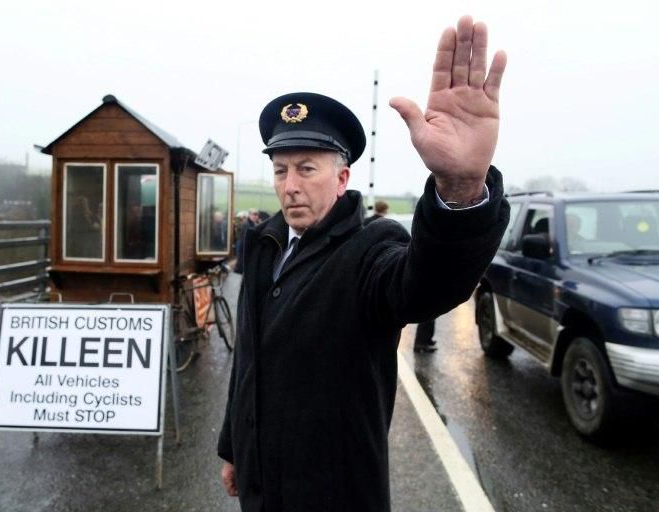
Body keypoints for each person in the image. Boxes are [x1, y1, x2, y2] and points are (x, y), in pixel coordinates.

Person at [218, 15, 509, 512]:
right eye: (280, 169)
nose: (290, 185)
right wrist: (231, 448)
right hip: (261, 484)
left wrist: (460, 189)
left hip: (336, 494)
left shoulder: (370, 248)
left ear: (342, 178)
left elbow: (426, 286)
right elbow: (248, 359)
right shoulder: (263, 243)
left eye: (307, 168)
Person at [233, 208, 260, 273]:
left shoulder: (253, 224)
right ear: (249, 215)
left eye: (257, 214)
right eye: (254, 214)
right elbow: (247, 240)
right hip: (244, 249)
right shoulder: (247, 224)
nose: (255, 216)